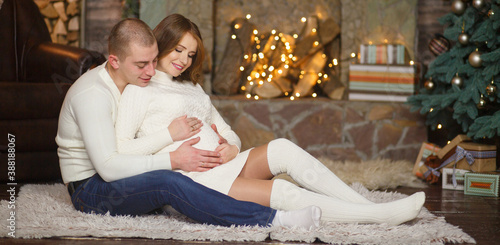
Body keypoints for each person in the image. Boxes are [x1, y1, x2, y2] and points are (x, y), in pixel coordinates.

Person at [115, 14, 426, 226]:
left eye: (191, 54)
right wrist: (170, 135)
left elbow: (228, 132)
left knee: (282, 148)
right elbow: (121, 151)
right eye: (178, 49)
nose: (183, 59)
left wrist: (232, 149)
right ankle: (377, 217)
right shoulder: (140, 90)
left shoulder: (191, 86)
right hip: (198, 181)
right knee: (286, 194)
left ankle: (369, 206)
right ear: (162, 43)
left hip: (224, 163)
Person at [55, 18, 321, 229]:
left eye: (153, 60)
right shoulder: (93, 95)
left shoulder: (130, 82)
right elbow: (109, 168)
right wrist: (174, 159)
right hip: (90, 190)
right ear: (114, 61)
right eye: (141, 65)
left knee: (178, 179)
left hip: (116, 174)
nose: (151, 71)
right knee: (169, 182)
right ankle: (274, 219)